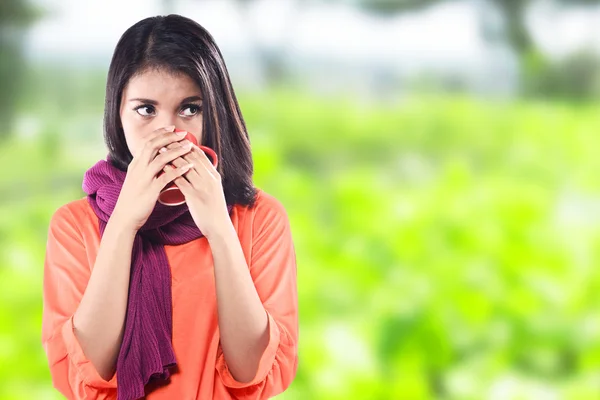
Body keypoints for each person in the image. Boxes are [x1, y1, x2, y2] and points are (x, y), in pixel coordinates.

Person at [41, 14, 298, 400]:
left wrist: (219, 229)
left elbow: (251, 374)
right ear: (117, 113)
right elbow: (88, 372)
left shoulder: (260, 219)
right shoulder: (74, 225)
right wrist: (125, 222)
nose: (170, 131)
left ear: (214, 112)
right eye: (146, 110)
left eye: (189, 109)